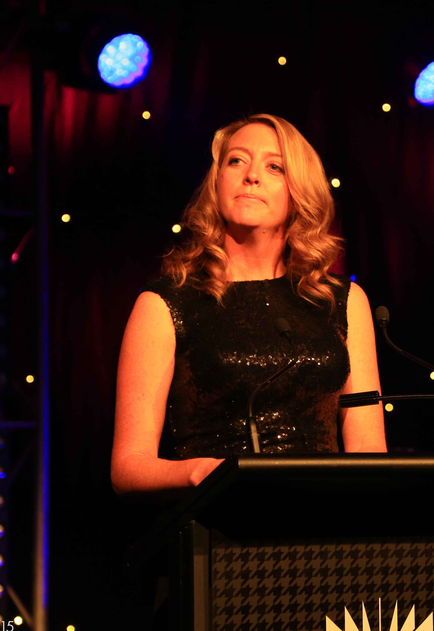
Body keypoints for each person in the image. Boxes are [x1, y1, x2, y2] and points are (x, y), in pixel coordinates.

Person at [111, 114, 387, 498]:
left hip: (324, 519)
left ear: (299, 191)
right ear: (217, 182)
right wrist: (204, 473)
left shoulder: (342, 301)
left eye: (274, 167)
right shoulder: (164, 304)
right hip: (219, 517)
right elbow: (128, 467)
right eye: (236, 160)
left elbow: (369, 451)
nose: (251, 176)